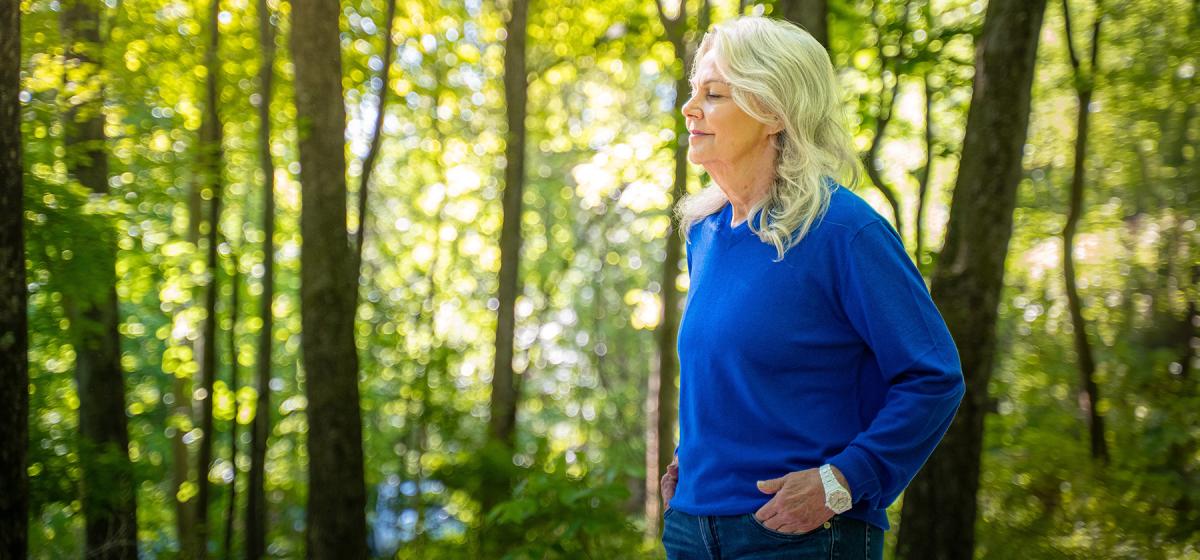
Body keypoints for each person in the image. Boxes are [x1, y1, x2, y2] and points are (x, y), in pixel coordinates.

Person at [658, 16, 965, 560]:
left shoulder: (845, 231)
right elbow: (733, 370)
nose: (690, 108)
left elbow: (933, 377)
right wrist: (693, 459)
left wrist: (843, 481)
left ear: (773, 112)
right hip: (691, 531)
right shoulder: (706, 234)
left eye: (715, 93)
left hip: (798, 539)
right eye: (692, 91)